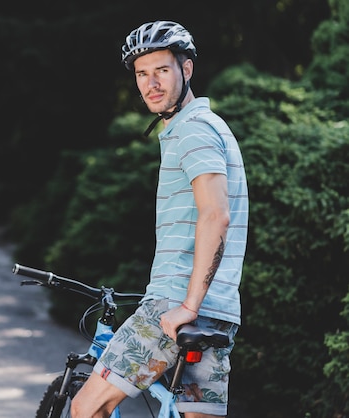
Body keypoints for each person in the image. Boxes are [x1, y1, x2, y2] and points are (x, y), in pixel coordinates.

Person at [71, 20, 249, 418]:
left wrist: (187, 304)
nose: (151, 83)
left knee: (87, 408)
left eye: (162, 70)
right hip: (218, 314)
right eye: (142, 74)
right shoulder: (207, 128)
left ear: (186, 69)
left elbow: (216, 215)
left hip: (177, 306)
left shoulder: (193, 131)